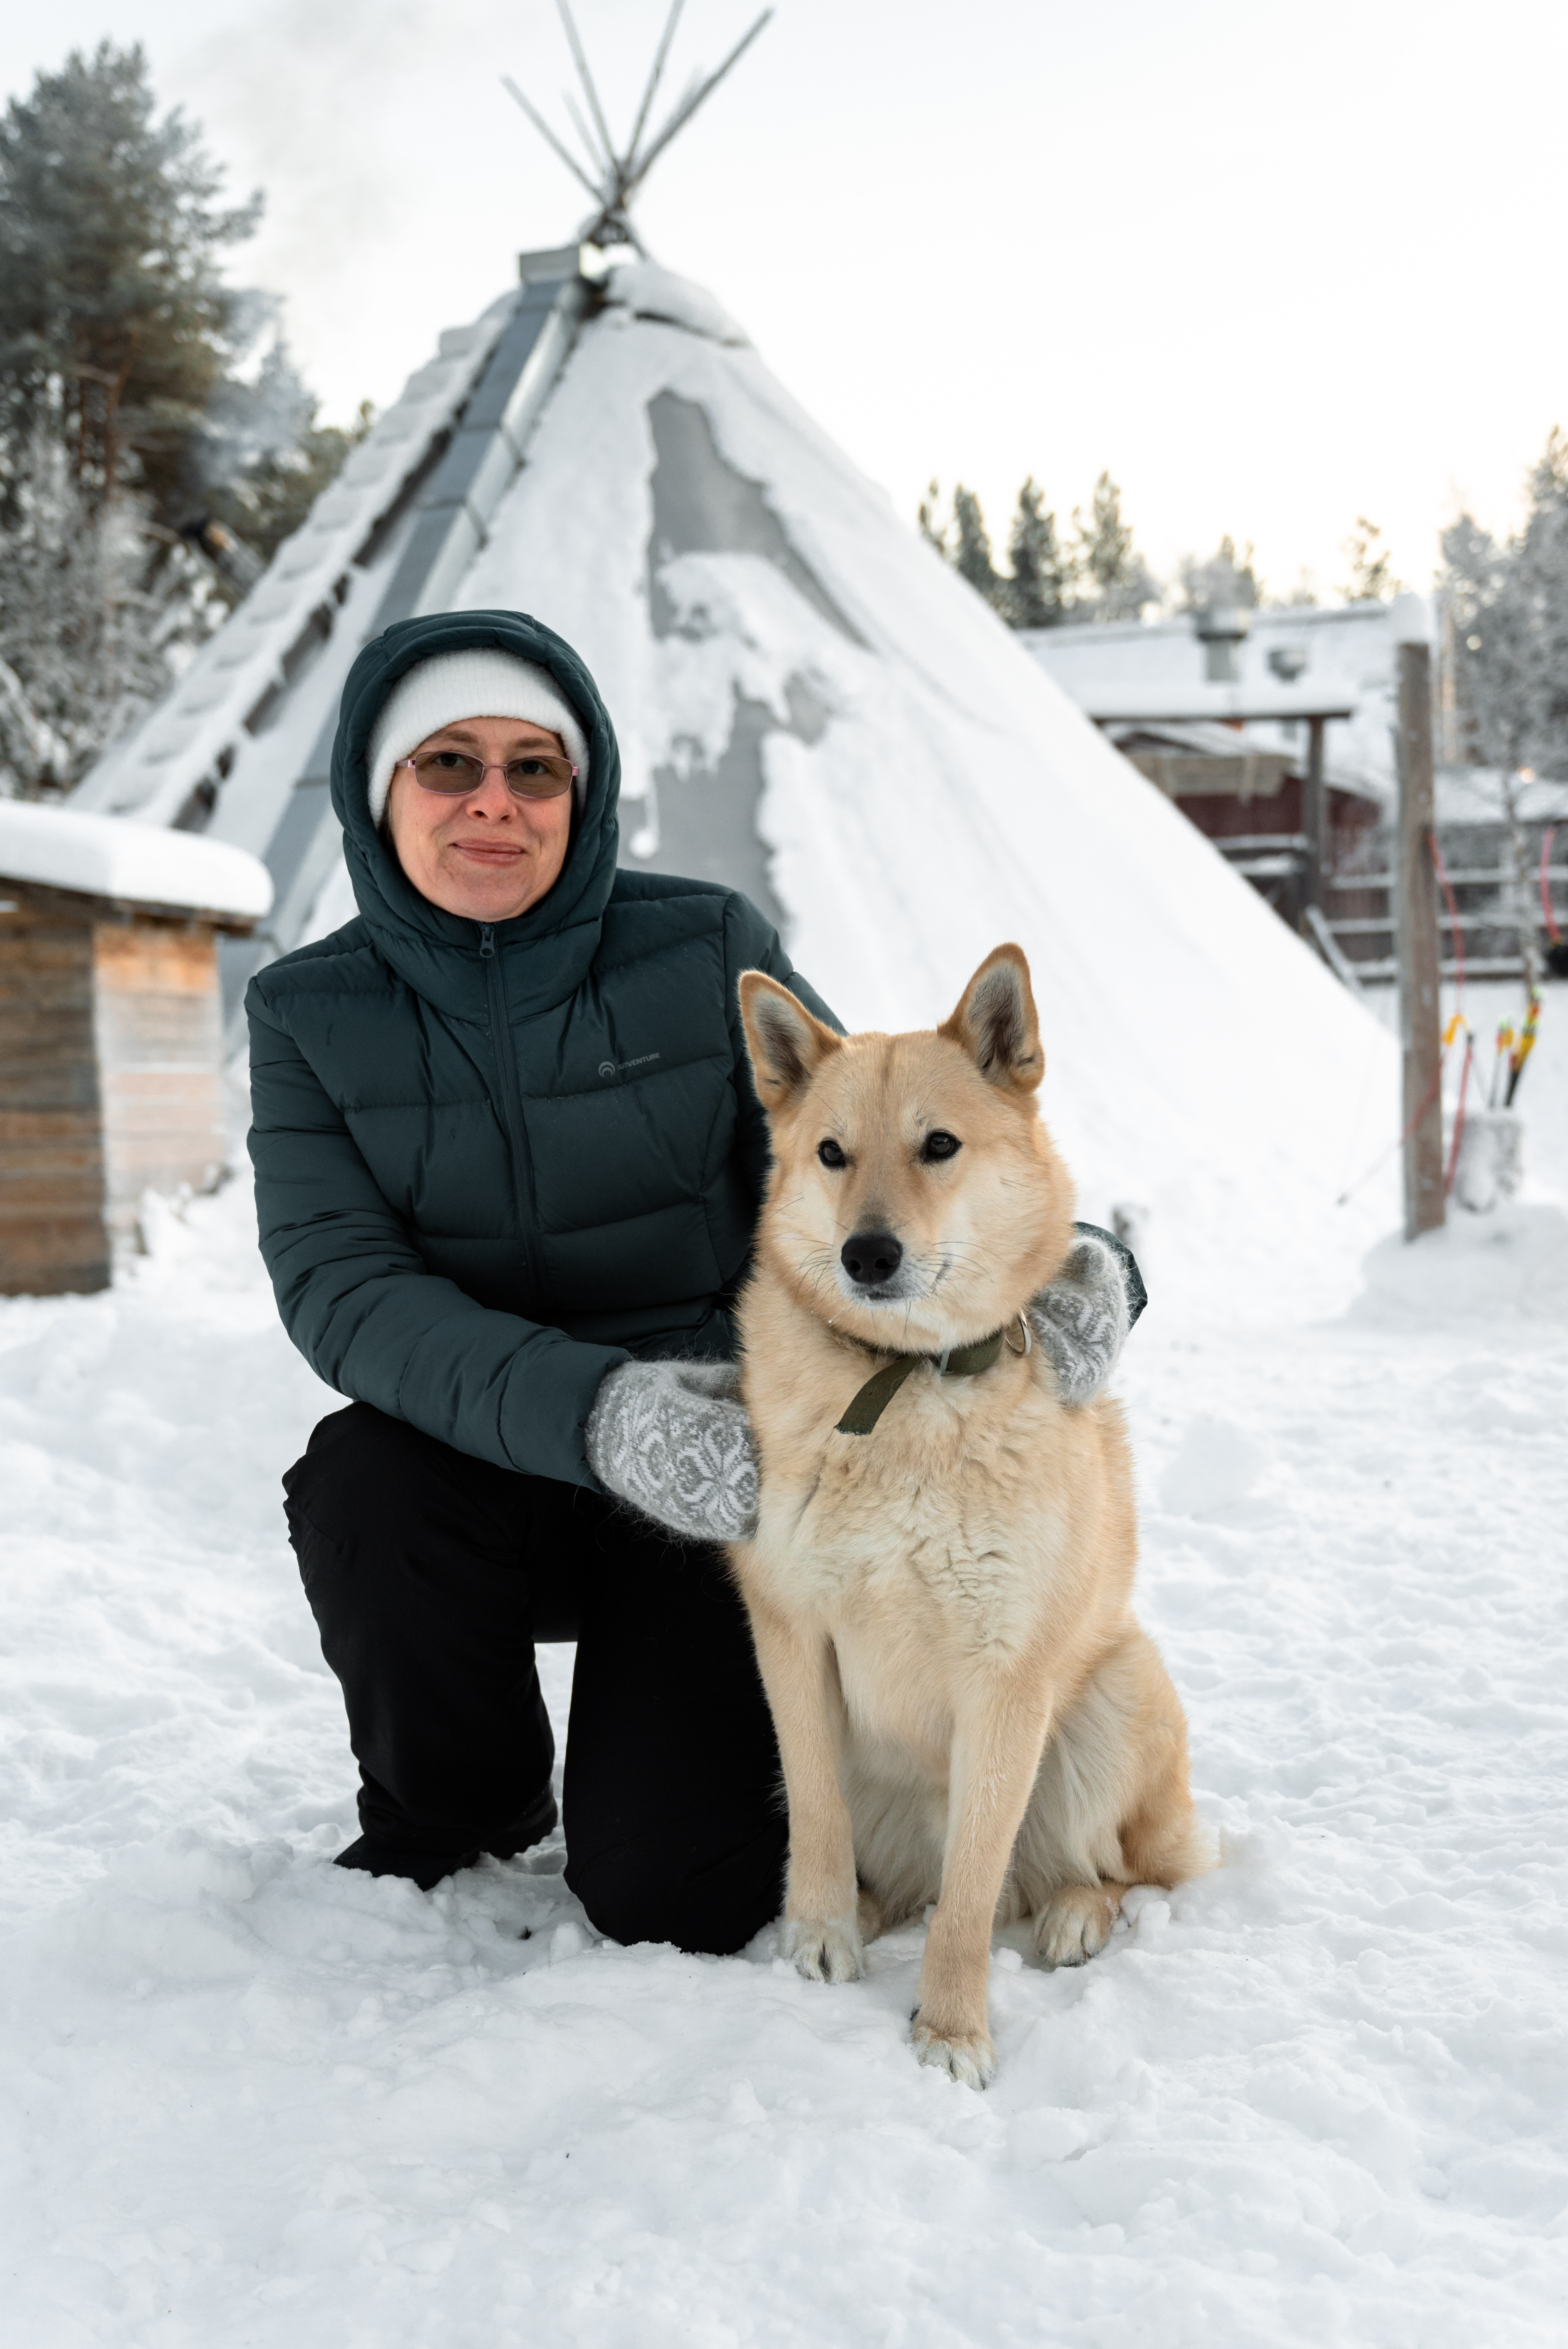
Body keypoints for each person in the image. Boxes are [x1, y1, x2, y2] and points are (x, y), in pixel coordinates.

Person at [248, 608, 1144, 1956]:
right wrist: (602, 1412)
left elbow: (867, 1136)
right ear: (381, 792)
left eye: (533, 767)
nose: (493, 800)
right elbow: (344, 1291)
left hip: (721, 1476)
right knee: (357, 1483)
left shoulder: (697, 949)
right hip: (487, 1466)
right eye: (448, 763)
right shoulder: (307, 1017)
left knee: (683, 1893)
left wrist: (1084, 1270)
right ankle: (459, 1804)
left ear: (581, 791)